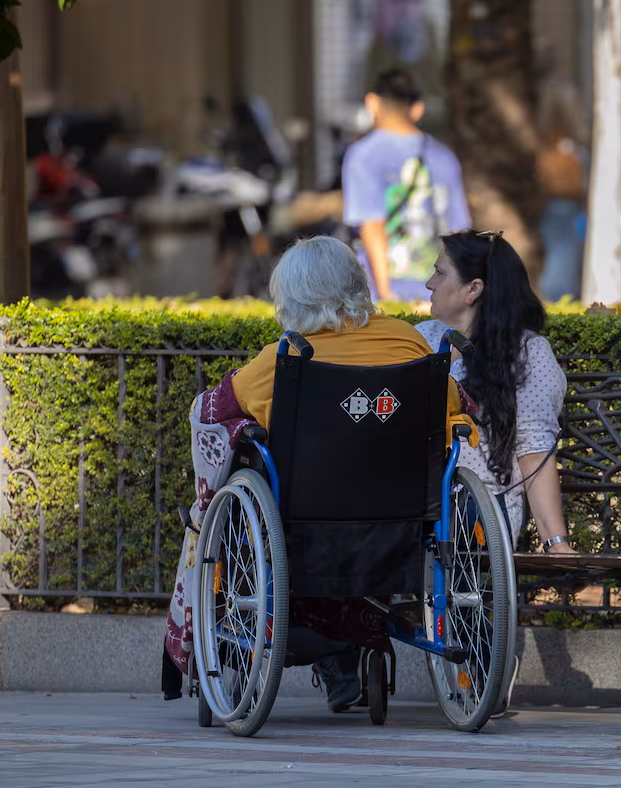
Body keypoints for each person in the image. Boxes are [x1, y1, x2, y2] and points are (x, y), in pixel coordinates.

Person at [164, 235, 468, 713]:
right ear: (356, 283)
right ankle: (345, 646)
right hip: (401, 520)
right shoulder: (408, 342)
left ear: (293, 297)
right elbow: (456, 404)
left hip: (304, 524)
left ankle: (282, 646)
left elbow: (211, 411)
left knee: (243, 480)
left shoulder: (284, 358)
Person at [415, 229, 575, 555]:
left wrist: (556, 543)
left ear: (473, 289)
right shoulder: (420, 339)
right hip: (412, 499)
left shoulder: (526, 353)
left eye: (440, 273)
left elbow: (534, 452)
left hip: (477, 507)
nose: (429, 283)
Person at [342, 68, 471, 302]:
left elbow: (371, 226)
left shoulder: (363, 154)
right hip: (439, 292)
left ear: (372, 103)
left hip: (386, 291)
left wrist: (386, 296)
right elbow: (459, 232)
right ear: (417, 108)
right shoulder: (444, 157)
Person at [534, 40, 590, 302]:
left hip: (541, 188)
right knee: (563, 256)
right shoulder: (559, 91)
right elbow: (580, 132)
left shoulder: (534, 95)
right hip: (562, 192)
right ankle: (559, 306)